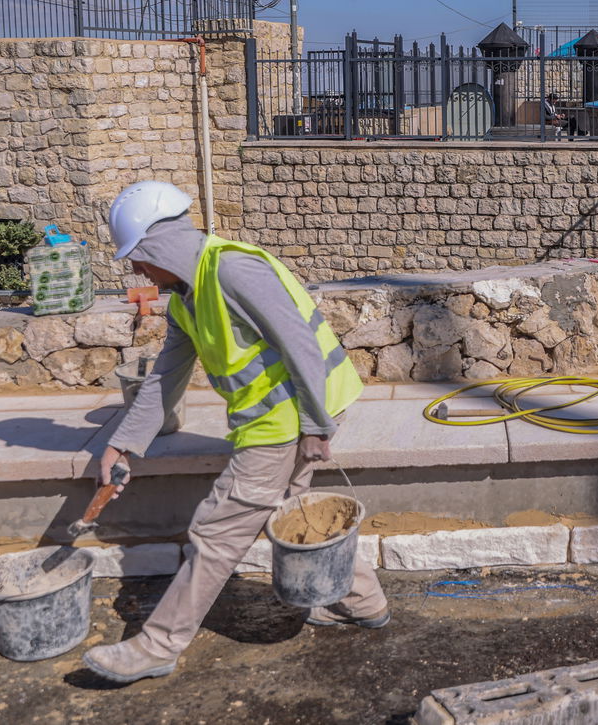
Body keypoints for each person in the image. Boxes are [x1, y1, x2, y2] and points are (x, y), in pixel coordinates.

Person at [82, 182, 386, 684]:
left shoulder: (232, 269)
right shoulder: (186, 299)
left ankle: (159, 644)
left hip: (288, 420)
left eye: (138, 256)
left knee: (215, 532)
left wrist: (314, 427)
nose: (137, 270)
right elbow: (164, 378)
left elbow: (301, 345)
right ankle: (364, 603)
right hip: (275, 419)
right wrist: (122, 443)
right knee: (294, 514)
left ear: (161, 244)